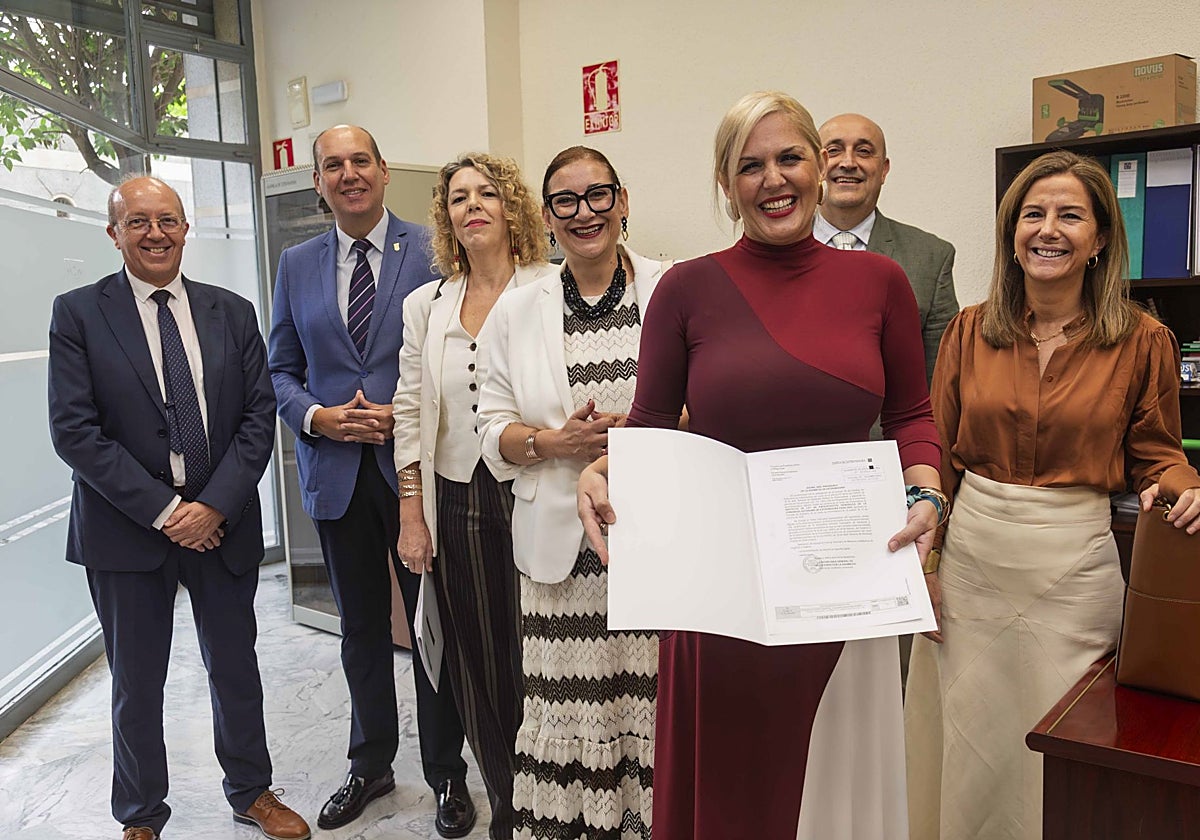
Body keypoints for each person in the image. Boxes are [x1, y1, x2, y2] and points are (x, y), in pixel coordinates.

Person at [576, 91, 944, 840]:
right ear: (726, 183)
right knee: (736, 789)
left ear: (818, 167)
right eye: (750, 166)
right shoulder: (686, 289)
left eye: (789, 158)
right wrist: (606, 469)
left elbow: (911, 415)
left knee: (833, 786)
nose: (773, 180)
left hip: (845, 579)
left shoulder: (881, 283)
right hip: (723, 594)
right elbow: (650, 424)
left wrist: (928, 490)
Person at [904, 149, 1200, 840]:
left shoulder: (1144, 339)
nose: (1049, 229)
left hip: (1073, 577)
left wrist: (1187, 485)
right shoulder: (971, 330)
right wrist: (925, 568)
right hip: (969, 571)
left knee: (1064, 755)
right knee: (964, 751)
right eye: (1032, 214)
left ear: (1099, 239)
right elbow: (936, 457)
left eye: (1071, 215)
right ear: (1011, 233)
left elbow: (1158, 455)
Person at [47, 176, 309, 840]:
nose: (156, 232)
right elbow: (75, 432)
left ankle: (251, 790)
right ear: (114, 234)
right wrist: (168, 511)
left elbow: (258, 417)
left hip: (221, 525)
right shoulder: (78, 313)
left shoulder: (232, 310)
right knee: (137, 684)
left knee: (236, 667)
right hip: (125, 531)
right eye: (138, 222)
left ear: (186, 228)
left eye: (168, 219)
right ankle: (140, 815)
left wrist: (213, 505)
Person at [267, 125, 474, 837]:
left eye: (360, 161)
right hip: (336, 476)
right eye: (333, 166)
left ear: (385, 173)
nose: (348, 174)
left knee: (429, 627)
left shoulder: (434, 248)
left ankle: (448, 772)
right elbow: (280, 370)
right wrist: (319, 416)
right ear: (319, 182)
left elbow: (459, 355)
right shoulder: (295, 264)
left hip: (416, 474)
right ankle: (370, 764)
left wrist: (408, 413)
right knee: (358, 631)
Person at [476, 146, 671, 839]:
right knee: (571, 710)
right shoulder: (516, 311)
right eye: (565, 201)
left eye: (598, 195)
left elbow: (705, 405)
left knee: (650, 707)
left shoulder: (673, 288)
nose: (584, 212)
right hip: (560, 561)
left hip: (655, 547)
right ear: (549, 218)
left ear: (622, 201)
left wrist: (638, 439)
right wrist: (554, 444)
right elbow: (490, 428)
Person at [392, 152, 555, 839]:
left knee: (540, 655)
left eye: (487, 192)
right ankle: (508, 806)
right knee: (476, 664)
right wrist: (411, 512)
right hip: (457, 499)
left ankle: (556, 798)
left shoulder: (550, 287)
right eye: (458, 197)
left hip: (537, 492)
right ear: (447, 218)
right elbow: (408, 410)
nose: (473, 205)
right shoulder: (426, 305)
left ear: (512, 207)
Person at [816, 113, 959, 384]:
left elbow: (940, 382)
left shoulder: (931, 257)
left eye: (864, 151)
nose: (848, 162)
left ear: (883, 170)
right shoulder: (777, 250)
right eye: (833, 150)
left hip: (889, 428)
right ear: (815, 166)